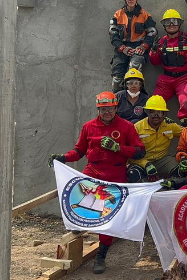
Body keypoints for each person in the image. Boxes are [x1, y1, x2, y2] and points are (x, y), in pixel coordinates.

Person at [48, 91, 146, 274]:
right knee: (75, 193)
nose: (107, 112)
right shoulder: (88, 127)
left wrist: (118, 148)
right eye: (103, 110)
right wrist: (62, 158)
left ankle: (101, 254)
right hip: (92, 171)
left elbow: (140, 152)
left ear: (116, 108)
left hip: (115, 174)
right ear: (98, 110)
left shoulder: (126, 127)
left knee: (107, 216)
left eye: (110, 109)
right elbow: (79, 151)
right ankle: (78, 224)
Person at [150, 9, 187, 127]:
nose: (171, 25)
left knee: (185, 103)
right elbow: (154, 63)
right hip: (165, 80)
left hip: (184, 78)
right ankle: (154, 129)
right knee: (154, 105)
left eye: (174, 22)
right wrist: (153, 51)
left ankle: (185, 130)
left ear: (179, 24)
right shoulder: (160, 42)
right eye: (168, 22)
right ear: (164, 25)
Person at [109, 0, 157, 92]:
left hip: (138, 49)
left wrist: (143, 47)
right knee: (117, 81)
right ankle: (119, 105)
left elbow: (152, 32)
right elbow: (113, 34)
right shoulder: (118, 15)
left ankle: (137, 102)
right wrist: (122, 48)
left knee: (134, 69)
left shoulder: (144, 15)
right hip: (121, 49)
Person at [130, 95, 186, 181]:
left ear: (164, 114)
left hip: (162, 160)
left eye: (160, 112)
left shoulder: (170, 126)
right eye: (152, 112)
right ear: (147, 112)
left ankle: (171, 191)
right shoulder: (137, 128)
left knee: (180, 170)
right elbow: (130, 153)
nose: (156, 115)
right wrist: (146, 164)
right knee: (134, 173)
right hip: (142, 160)